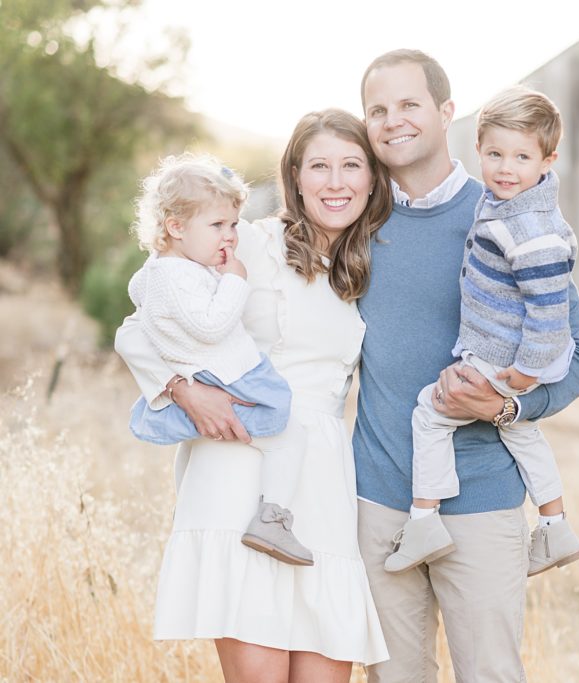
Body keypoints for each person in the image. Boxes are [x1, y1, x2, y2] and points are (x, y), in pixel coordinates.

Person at [114, 109, 390, 682]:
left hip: (320, 478)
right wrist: (184, 392)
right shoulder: (246, 244)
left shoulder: (366, 262)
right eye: (319, 166)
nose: (335, 182)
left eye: (351, 165)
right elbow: (138, 327)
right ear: (294, 175)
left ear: (372, 177)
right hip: (239, 462)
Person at [356, 49, 579, 682]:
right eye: (377, 110)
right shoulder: (354, 222)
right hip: (379, 502)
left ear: (446, 113)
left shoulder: (506, 210)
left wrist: (507, 405)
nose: (393, 121)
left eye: (409, 104)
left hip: (484, 503)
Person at [385, 86, 579, 578]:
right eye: (494, 154)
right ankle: (555, 526)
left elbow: (548, 308)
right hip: (516, 349)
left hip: (506, 352)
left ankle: (425, 519)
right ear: (478, 149)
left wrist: (524, 371)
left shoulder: (527, 224)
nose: (504, 168)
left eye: (521, 157)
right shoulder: (509, 205)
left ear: (547, 159)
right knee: (522, 432)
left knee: (429, 416)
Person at [126, 153, 314, 567]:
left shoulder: (162, 270)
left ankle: (185, 510)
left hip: (206, 371)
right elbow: (211, 326)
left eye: (232, 224)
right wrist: (234, 281)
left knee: (192, 450)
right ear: (175, 227)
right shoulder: (179, 277)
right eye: (218, 226)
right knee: (288, 434)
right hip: (226, 374)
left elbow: (147, 302)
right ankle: (273, 518)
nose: (230, 237)